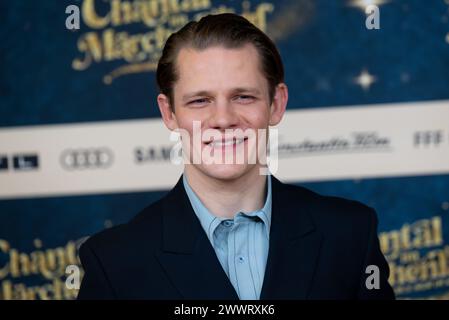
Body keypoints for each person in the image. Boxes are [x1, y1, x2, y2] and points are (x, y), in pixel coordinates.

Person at [77, 13, 395, 300]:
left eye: (243, 96)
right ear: (169, 112)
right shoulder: (114, 262)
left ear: (276, 103)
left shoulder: (350, 236)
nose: (223, 118)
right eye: (200, 101)